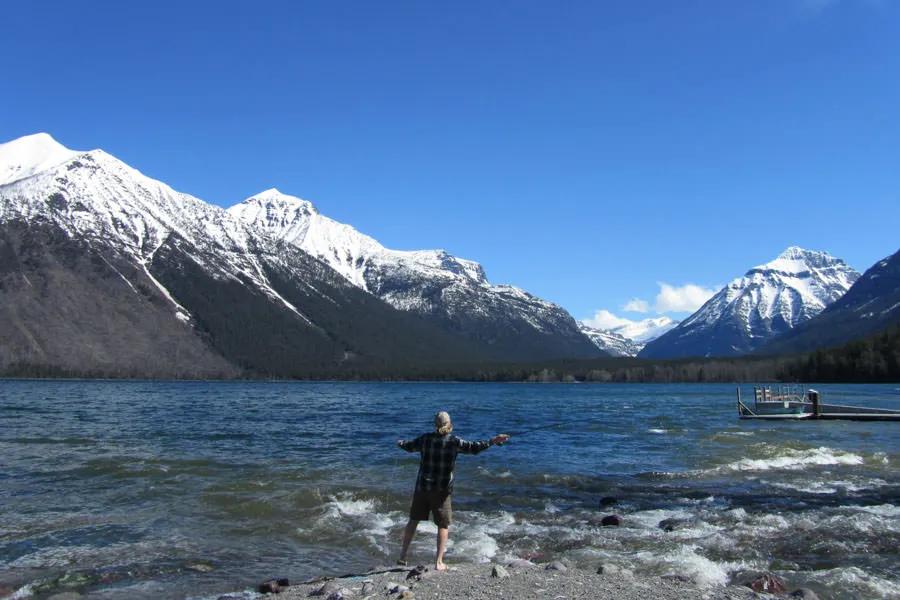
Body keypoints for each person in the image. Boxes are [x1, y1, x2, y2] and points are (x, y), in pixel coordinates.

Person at [396, 411, 509, 570]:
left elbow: (408, 446)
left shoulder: (425, 439)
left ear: (435, 425)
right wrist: (494, 440)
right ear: (449, 424)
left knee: (413, 520)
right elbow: (475, 448)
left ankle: (402, 556)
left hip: (423, 488)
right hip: (442, 492)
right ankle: (439, 562)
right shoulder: (454, 441)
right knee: (443, 525)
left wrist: (399, 442)